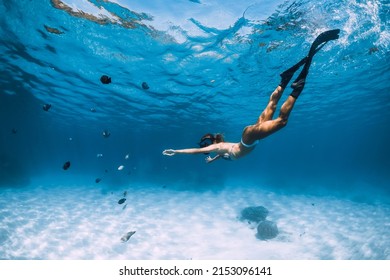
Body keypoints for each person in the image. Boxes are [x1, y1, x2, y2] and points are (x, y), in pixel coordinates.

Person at [163, 29, 340, 163]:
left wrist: (176, 151)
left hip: (249, 138)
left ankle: (297, 86)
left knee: (282, 122)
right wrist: (211, 160)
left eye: (205, 146)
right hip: (248, 135)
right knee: (271, 105)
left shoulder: (217, 147)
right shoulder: (221, 149)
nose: (205, 149)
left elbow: (196, 151)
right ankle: (284, 81)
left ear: (210, 143)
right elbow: (220, 153)